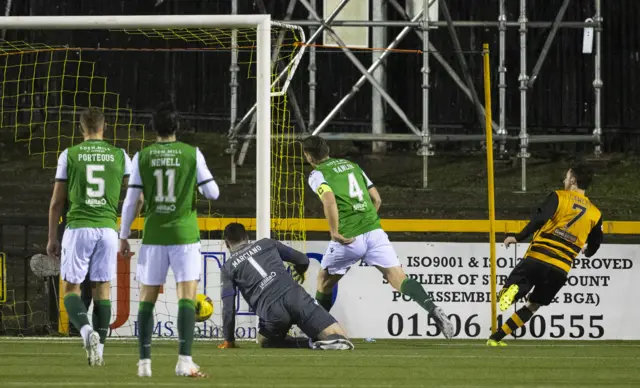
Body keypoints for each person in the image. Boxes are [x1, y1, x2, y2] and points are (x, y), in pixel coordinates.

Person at [302, 136, 454, 339]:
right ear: (327, 150)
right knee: (399, 278)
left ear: (308, 156)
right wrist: (368, 220)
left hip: (349, 237)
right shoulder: (351, 165)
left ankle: (316, 332)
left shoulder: (317, 174)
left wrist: (334, 231)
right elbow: (377, 198)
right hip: (374, 232)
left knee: (324, 282)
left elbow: (329, 200)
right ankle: (432, 308)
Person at [118, 103, 220, 377]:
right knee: (186, 297)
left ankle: (144, 364)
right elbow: (213, 193)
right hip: (185, 236)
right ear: (177, 127)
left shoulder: (142, 157)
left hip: (154, 234)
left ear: (154, 129)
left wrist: (124, 236)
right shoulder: (192, 154)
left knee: (147, 299)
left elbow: (130, 202)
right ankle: (184, 361)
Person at [46, 107, 132, 366]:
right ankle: (100, 352)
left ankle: (86, 332)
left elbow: (57, 201)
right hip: (107, 228)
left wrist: (52, 237)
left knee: (70, 289)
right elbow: (134, 191)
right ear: (104, 127)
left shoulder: (69, 155)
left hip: (79, 226)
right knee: (102, 290)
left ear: (81, 128)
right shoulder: (120, 155)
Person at [487, 164, 603, 346]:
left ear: (573, 180)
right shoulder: (596, 213)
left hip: (539, 256)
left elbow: (540, 219)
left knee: (505, 294)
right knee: (533, 305)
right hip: (561, 268)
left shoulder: (559, 196)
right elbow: (595, 244)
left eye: (566, 177)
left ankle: (513, 291)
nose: (564, 180)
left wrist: (518, 237)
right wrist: (587, 252)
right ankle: (496, 338)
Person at [217, 223, 354, 350]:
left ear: (227, 244)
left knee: (264, 340)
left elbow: (228, 308)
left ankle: (310, 344)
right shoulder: (267, 243)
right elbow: (303, 260)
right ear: (247, 237)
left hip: (272, 313)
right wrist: (300, 271)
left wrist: (229, 340)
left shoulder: (227, 268)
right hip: (295, 297)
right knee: (339, 337)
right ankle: (325, 341)